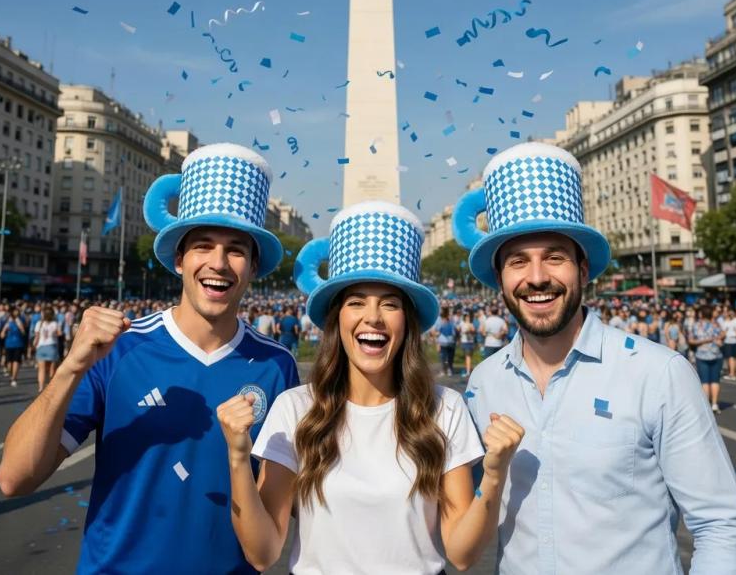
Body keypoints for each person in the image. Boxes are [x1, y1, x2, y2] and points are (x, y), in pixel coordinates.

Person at [453, 142, 736, 574]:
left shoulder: (658, 373)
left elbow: (721, 527)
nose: (536, 277)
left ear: (584, 269)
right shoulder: (483, 382)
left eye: (554, 258)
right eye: (518, 261)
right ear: (499, 279)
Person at [0, 143, 299, 574]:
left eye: (235, 249)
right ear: (179, 259)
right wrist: (71, 366)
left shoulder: (277, 365)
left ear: (253, 267)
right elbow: (13, 478)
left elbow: (270, 535)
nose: (218, 263)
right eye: (202, 245)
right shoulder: (120, 347)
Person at [217, 201, 524, 574]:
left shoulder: (445, 408)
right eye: (357, 302)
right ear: (337, 318)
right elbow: (263, 553)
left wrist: (493, 476)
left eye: (390, 304)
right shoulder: (294, 408)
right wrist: (237, 458)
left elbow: (461, 554)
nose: (373, 318)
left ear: (407, 322)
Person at [689, 305, 725, 413]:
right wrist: (715, 339)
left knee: (705, 381)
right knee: (715, 380)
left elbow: (691, 340)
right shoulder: (716, 325)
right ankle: (714, 404)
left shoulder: (696, 326)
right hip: (716, 354)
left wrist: (703, 341)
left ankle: (707, 405)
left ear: (701, 314)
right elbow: (723, 335)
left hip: (702, 354)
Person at [33, 308, 61, 392]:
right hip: (51, 346)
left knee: (41, 369)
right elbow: (59, 333)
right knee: (52, 369)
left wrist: (34, 345)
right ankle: (50, 386)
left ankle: (41, 387)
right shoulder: (55, 324)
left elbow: (36, 336)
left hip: (41, 347)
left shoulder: (39, 323)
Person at [2, 308, 26, 387]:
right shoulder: (8, 322)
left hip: (18, 344)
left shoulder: (20, 320)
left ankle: (14, 378)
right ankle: (11, 375)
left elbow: (23, 332)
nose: (16, 313)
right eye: (14, 312)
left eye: (17, 312)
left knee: (16, 361)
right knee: (9, 363)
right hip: (9, 344)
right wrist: (5, 330)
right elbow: (2, 335)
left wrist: (20, 326)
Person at [721, 308, 736, 380]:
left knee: (732, 358)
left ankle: (732, 374)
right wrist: (724, 333)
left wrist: (735, 333)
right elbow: (723, 333)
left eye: (732, 312)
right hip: (727, 341)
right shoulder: (725, 322)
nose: (730, 314)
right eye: (729, 312)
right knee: (731, 358)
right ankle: (733, 373)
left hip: (734, 341)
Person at [436, 309, 457, 376]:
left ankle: (449, 369)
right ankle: (443, 370)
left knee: (450, 357)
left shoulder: (452, 323)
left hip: (451, 342)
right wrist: (438, 343)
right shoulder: (441, 323)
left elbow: (455, 332)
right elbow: (437, 333)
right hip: (443, 342)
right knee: (443, 357)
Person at [458, 311, 477, 376]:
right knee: (467, 357)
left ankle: (468, 370)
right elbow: (458, 329)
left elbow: (474, 331)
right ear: (465, 317)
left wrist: (471, 330)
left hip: (470, 341)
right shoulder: (462, 323)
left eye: (468, 317)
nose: (468, 318)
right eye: (466, 317)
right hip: (465, 341)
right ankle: (468, 370)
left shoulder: (471, 324)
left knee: (469, 357)